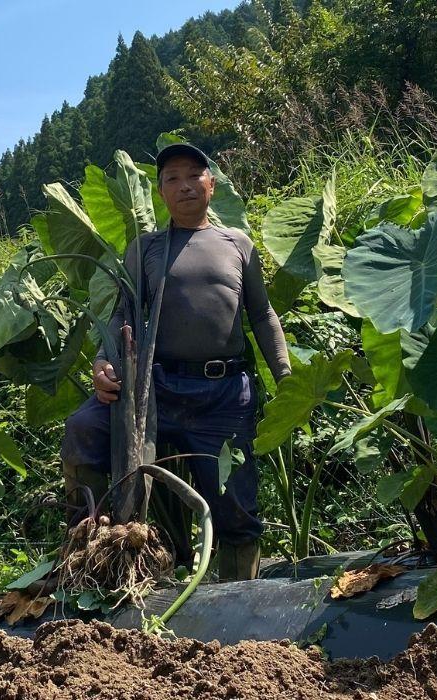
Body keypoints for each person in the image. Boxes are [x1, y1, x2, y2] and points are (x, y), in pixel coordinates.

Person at [60, 143, 291, 581]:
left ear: (211, 184)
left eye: (193, 175)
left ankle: (240, 604)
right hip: (156, 391)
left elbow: (260, 314)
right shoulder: (145, 249)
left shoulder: (236, 243)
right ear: (161, 193)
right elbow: (123, 314)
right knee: (84, 427)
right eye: (172, 179)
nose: (184, 186)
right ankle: (88, 547)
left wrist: (285, 376)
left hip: (222, 396)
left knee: (235, 505)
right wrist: (103, 362)